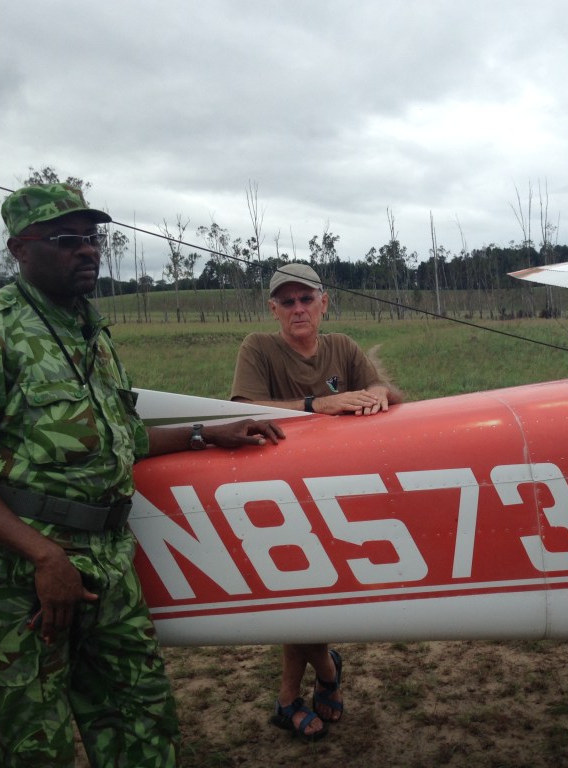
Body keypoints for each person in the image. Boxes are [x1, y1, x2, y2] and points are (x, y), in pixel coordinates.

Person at [0, 183, 285, 767]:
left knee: (141, 727)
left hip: (108, 563)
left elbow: (112, 439)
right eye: (67, 239)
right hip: (20, 578)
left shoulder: (89, 332)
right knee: (31, 745)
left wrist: (203, 433)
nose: (88, 250)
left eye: (93, 238)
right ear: (21, 250)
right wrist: (44, 558)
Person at [230, 262, 402, 741]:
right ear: (274, 310)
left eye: (306, 299)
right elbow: (242, 409)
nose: (298, 309)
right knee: (296, 592)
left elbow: (389, 392)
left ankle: (292, 698)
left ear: (324, 302)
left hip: (333, 489)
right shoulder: (259, 348)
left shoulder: (343, 347)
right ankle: (323, 674)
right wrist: (316, 405)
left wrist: (372, 394)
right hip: (275, 493)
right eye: (287, 302)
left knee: (312, 594)